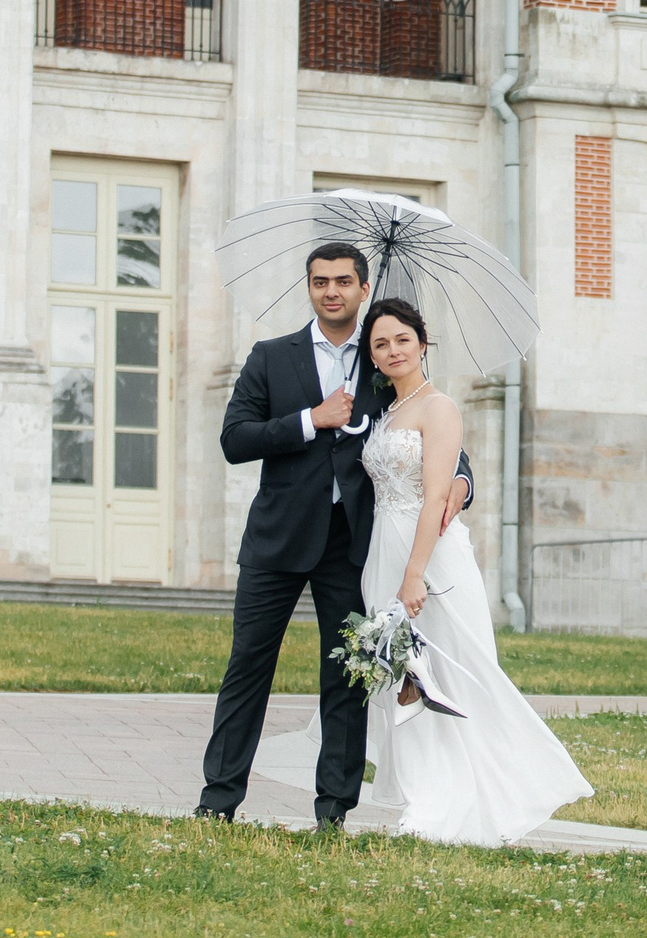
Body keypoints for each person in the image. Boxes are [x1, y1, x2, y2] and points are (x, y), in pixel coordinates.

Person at [196, 243, 473, 827]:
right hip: (276, 540)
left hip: (353, 545)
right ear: (309, 288)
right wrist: (309, 420)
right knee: (248, 667)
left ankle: (333, 811)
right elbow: (234, 439)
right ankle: (217, 802)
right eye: (321, 281)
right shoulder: (272, 357)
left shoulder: (381, 361)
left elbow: (437, 438)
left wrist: (464, 483)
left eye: (343, 281)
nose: (332, 291)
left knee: (344, 677)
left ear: (362, 289)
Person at [357, 296, 591, 846]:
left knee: (453, 672)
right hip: (382, 549)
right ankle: (424, 795)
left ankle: (474, 796)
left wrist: (414, 574)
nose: (392, 350)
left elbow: (438, 493)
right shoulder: (384, 411)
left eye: (402, 340)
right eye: (380, 344)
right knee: (404, 676)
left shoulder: (440, 408)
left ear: (423, 343)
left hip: (429, 555)